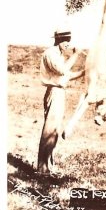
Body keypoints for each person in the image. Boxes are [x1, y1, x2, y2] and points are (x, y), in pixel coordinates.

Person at [37, 29, 85, 174]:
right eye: (65, 40)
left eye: (68, 40)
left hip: (59, 91)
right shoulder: (50, 53)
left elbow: (67, 76)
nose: (67, 44)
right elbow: (62, 70)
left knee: (55, 130)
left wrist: (85, 71)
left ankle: (47, 166)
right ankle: (42, 168)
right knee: (50, 130)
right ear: (58, 40)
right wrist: (76, 54)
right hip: (54, 91)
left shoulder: (58, 55)